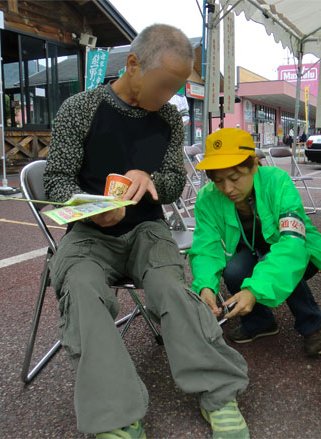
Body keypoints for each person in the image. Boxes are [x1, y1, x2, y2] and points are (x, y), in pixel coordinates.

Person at [44, 25, 249, 439]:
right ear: (134, 65)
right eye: (164, 85)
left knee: (171, 287)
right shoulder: (80, 108)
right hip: (88, 234)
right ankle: (116, 413)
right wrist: (93, 208)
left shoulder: (169, 117)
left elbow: (174, 181)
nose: (170, 96)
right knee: (81, 288)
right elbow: (56, 181)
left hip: (148, 229)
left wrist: (149, 176)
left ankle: (219, 393)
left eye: (177, 87)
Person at [189, 128, 321, 357]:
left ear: (254, 165)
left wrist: (255, 290)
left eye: (235, 178)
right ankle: (261, 322)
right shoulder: (207, 197)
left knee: (279, 264)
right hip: (253, 249)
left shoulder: (278, 182)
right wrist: (205, 285)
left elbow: (292, 245)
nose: (227, 189)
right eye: (218, 181)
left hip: (299, 248)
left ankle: (313, 323)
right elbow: (206, 246)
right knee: (234, 271)